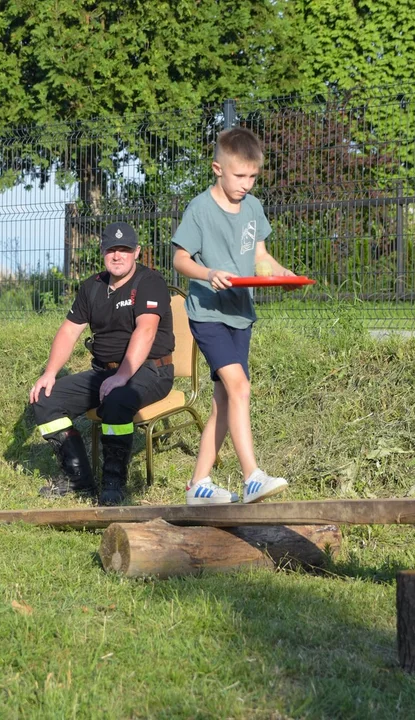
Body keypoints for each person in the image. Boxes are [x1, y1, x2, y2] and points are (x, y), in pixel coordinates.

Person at [171, 127, 295, 505]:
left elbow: (260, 256)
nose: (246, 184)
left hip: (242, 314)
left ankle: (198, 485)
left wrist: (284, 275)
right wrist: (208, 274)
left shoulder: (253, 208)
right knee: (240, 387)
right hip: (207, 314)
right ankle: (251, 477)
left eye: (253, 176)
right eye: (240, 176)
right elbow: (179, 260)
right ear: (217, 169)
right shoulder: (199, 209)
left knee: (224, 402)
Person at [29, 222, 175, 506]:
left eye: (124, 250)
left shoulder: (150, 282)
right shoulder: (91, 287)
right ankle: (77, 479)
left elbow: (146, 331)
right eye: (111, 250)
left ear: (137, 252)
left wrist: (122, 376)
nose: (117, 256)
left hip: (151, 370)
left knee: (117, 400)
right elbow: (69, 331)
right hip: (105, 373)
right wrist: (49, 373)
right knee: (46, 399)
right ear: (102, 252)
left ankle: (113, 483)